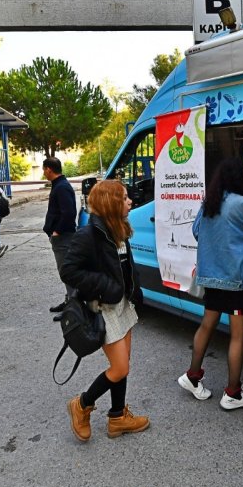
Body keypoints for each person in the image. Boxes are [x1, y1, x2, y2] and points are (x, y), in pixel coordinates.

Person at [177, 157, 243, 410]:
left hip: (212, 277)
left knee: (206, 325)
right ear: (238, 176)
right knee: (237, 336)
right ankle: (233, 393)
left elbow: (197, 231)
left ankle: (192, 375)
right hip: (236, 280)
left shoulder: (210, 202)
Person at [61, 180, 149, 442]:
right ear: (111, 202)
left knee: (123, 365)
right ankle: (82, 404)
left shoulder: (118, 228)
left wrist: (134, 290)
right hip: (103, 307)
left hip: (122, 303)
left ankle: (117, 417)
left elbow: (126, 266)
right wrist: (104, 285)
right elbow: (69, 271)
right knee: (120, 368)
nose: (130, 201)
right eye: (124, 198)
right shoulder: (88, 235)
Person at [43, 156, 77, 312]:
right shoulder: (59, 185)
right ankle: (70, 301)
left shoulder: (62, 187)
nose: (44, 173)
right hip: (61, 236)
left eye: (44, 170)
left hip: (63, 237)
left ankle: (74, 309)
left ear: (49, 169)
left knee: (67, 272)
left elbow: (69, 213)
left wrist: (57, 232)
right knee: (65, 272)